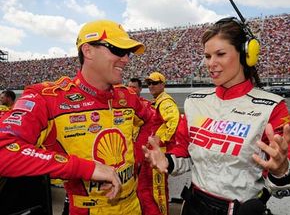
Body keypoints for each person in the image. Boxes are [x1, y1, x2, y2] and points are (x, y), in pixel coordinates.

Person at [0, 19, 155, 215]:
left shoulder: (128, 96)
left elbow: (153, 119)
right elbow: (3, 151)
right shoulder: (47, 97)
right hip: (86, 209)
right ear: (88, 51)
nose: (126, 59)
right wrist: (85, 168)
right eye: (117, 49)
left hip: (133, 206)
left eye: (128, 53)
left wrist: (145, 151)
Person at [142, 17, 290, 215]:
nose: (211, 63)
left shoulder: (272, 107)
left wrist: (280, 172)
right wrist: (166, 161)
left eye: (220, 54)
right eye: (207, 56)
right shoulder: (194, 102)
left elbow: (280, 187)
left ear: (245, 54)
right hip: (192, 207)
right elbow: (184, 154)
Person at [138, 71, 180, 215]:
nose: (151, 86)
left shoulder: (165, 101)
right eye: (148, 83)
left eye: (154, 83)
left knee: (158, 192)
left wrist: (160, 139)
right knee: (145, 190)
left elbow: (174, 121)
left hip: (159, 154)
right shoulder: (156, 101)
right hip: (151, 155)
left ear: (163, 84)